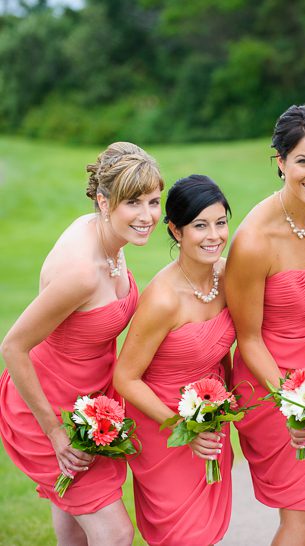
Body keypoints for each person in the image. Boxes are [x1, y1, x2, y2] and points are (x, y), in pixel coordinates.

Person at [0, 142, 163, 545]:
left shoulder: (105, 236)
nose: (148, 217)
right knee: (116, 533)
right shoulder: (82, 272)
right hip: (50, 409)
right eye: (134, 203)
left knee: (74, 530)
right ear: (105, 202)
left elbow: (117, 149)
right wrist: (55, 432)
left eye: (154, 201)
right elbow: (12, 347)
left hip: (89, 406)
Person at [226, 104, 305, 546]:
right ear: (279, 162)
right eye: (303, 161)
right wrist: (293, 402)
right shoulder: (253, 241)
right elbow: (248, 338)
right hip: (275, 384)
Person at [113, 175, 235, 546]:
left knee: (206, 531)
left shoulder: (228, 274)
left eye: (220, 222)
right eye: (200, 225)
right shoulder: (163, 299)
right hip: (164, 426)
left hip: (211, 416)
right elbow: (125, 377)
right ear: (176, 230)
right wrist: (185, 428)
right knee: (183, 535)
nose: (213, 235)